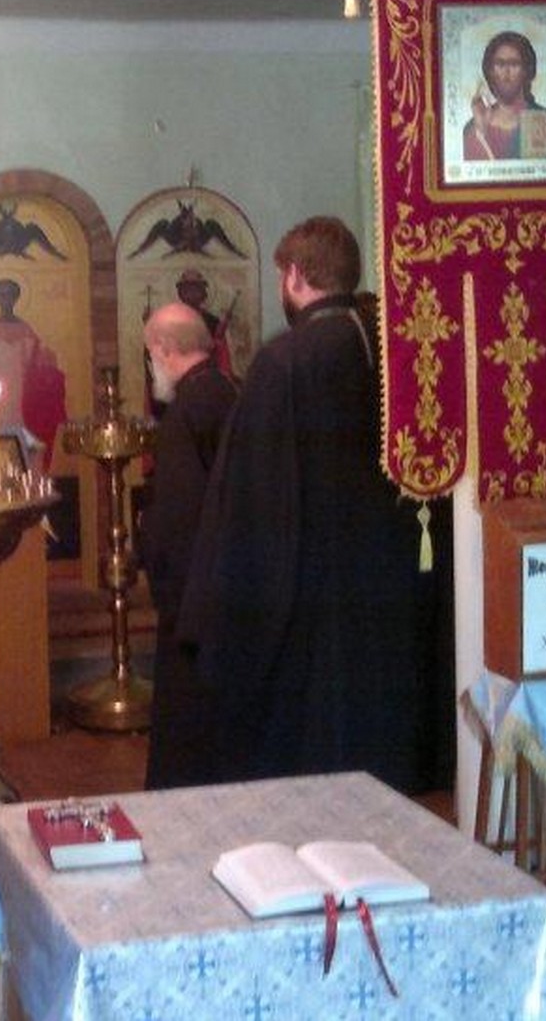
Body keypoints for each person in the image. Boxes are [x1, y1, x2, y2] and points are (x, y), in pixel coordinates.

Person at [179, 216, 438, 792]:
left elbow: (249, 500)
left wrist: (220, 606)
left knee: (307, 751)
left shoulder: (283, 361)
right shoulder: (391, 352)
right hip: (380, 583)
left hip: (304, 593)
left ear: (294, 276)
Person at [137, 302, 238, 789]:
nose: (149, 365)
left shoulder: (185, 412)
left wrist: (159, 575)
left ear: (163, 348)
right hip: (231, 583)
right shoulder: (229, 392)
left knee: (187, 733)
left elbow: (178, 517)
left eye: (149, 353)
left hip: (192, 597)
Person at [0, 278, 66, 456]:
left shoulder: (26, 330)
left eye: (10, 295)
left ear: (16, 298)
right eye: (2, 295)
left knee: (23, 442)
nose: (6, 299)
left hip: (22, 397)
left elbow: (39, 364)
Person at [462, 30, 546, 161]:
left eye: (514, 64)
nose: (506, 72)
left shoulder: (543, 120)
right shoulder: (473, 128)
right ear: (490, 71)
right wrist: (481, 133)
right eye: (500, 64)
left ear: (526, 70)